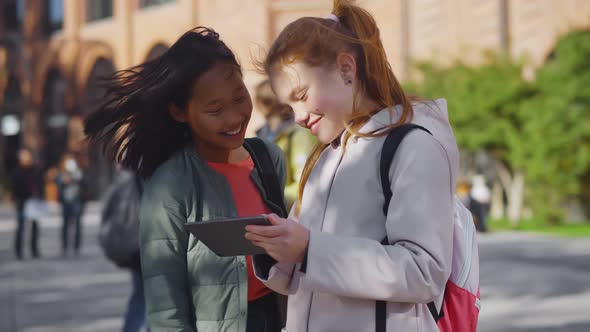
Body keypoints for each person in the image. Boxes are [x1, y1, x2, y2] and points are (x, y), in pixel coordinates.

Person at [245, 1, 458, 331]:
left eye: (301, 94)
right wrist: (276, 250)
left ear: (346, 68)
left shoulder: (414, 146)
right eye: (289, 105)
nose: (298, 116)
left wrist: (309, 248)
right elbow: (308, 274)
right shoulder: (323, 156)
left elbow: (424, 273)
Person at [84, 27, 287, 332]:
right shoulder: (171, 184)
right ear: (180, 111)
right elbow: (165, 303)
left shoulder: (267, 158)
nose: (234, 117)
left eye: (239, 97)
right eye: (215, 109)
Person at [99, 169, 148, 332]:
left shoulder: (123, 180)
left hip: (134, 247)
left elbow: (106, 212)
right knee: (155, 298)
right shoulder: (158, 176)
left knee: (140, 296)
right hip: (147, 246)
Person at [254, 79, 316, 209]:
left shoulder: (298, 133)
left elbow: (306, 183)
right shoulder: (260, 136)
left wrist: (269, 200)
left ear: (260, 104)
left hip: (291, 215)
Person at [10, 148, 43, 259]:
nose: (26, 159)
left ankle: (34, 250)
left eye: (27, 156)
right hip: (22, 202)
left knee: (35, 227)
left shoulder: (35, 170)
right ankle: (19, 251)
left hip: (34, 202)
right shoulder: (17, 172)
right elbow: (14, 188)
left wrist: (40, 197)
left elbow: (40, 184)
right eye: (23, 156)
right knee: (20, 228)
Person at [55, 153, 86, 256]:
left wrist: (76, 179)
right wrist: (64, 181)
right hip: (66, 202)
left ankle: (76, 247)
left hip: (77, 201)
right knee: (65, 225)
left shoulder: (79, 172)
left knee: (77, 224)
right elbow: (58, 185)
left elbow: (85, 184)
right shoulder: (61, 174)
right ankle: (64, 247)